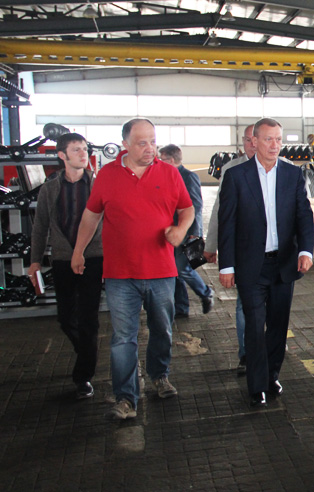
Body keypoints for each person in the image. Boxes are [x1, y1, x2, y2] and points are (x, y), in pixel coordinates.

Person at [71, 118, 194, 420]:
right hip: (120, 274)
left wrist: (181, 230)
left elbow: (187, 208)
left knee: (162, 330)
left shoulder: (169, 173)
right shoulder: (107, 175)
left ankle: (159, 375)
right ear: (125, 144)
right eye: (142, 143)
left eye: (153, 141)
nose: (150, 148)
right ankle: (126, 398)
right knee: (123, 337)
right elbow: (91, 216)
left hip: (161, 271)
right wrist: (78, 251)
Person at [218, 118, 314, 408]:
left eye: (279, 139)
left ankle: (272, 375)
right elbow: (227, 223)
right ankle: (256, 385)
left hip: (283, 263)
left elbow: (303, 215)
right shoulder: (236, 176)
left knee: (278, 324)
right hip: (251, 266)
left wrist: (306, 250)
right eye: (268, 139)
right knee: (254, 323)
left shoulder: (292, 174)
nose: (275, 145)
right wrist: (226, 266)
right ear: (254, 141)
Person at [28, 132, 104, 400]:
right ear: (62, 155)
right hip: (62, 259)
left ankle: (83, 376)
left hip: (93, 258)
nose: (83, 154)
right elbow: (40, 227)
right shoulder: (49, 190)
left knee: (88, 318)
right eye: (76, 150)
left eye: (84, 149)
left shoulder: (98, 185)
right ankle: (86, 351)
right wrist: (35, 260)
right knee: (65, 317)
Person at [204, 124, 254, 375]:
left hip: (276, 252)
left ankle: (271, 345)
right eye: (248, 140)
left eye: (256, 139)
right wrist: (211, 244)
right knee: (245, 304)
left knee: (275, 303)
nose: (252, 145)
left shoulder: (285, 168)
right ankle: (246, 354)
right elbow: (220, 211)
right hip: (244, 251)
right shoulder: (231, 170)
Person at [158, 144, 214, 319]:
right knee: (174, 271)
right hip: (170, 231)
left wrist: (194, 233)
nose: (158, 162)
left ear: (171, 160)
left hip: (185, 232)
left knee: (181, 268)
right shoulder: (164, 176)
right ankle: (181, 307)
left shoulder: (188, 177)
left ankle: (205, 293)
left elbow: (195, 206)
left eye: (162, 159)